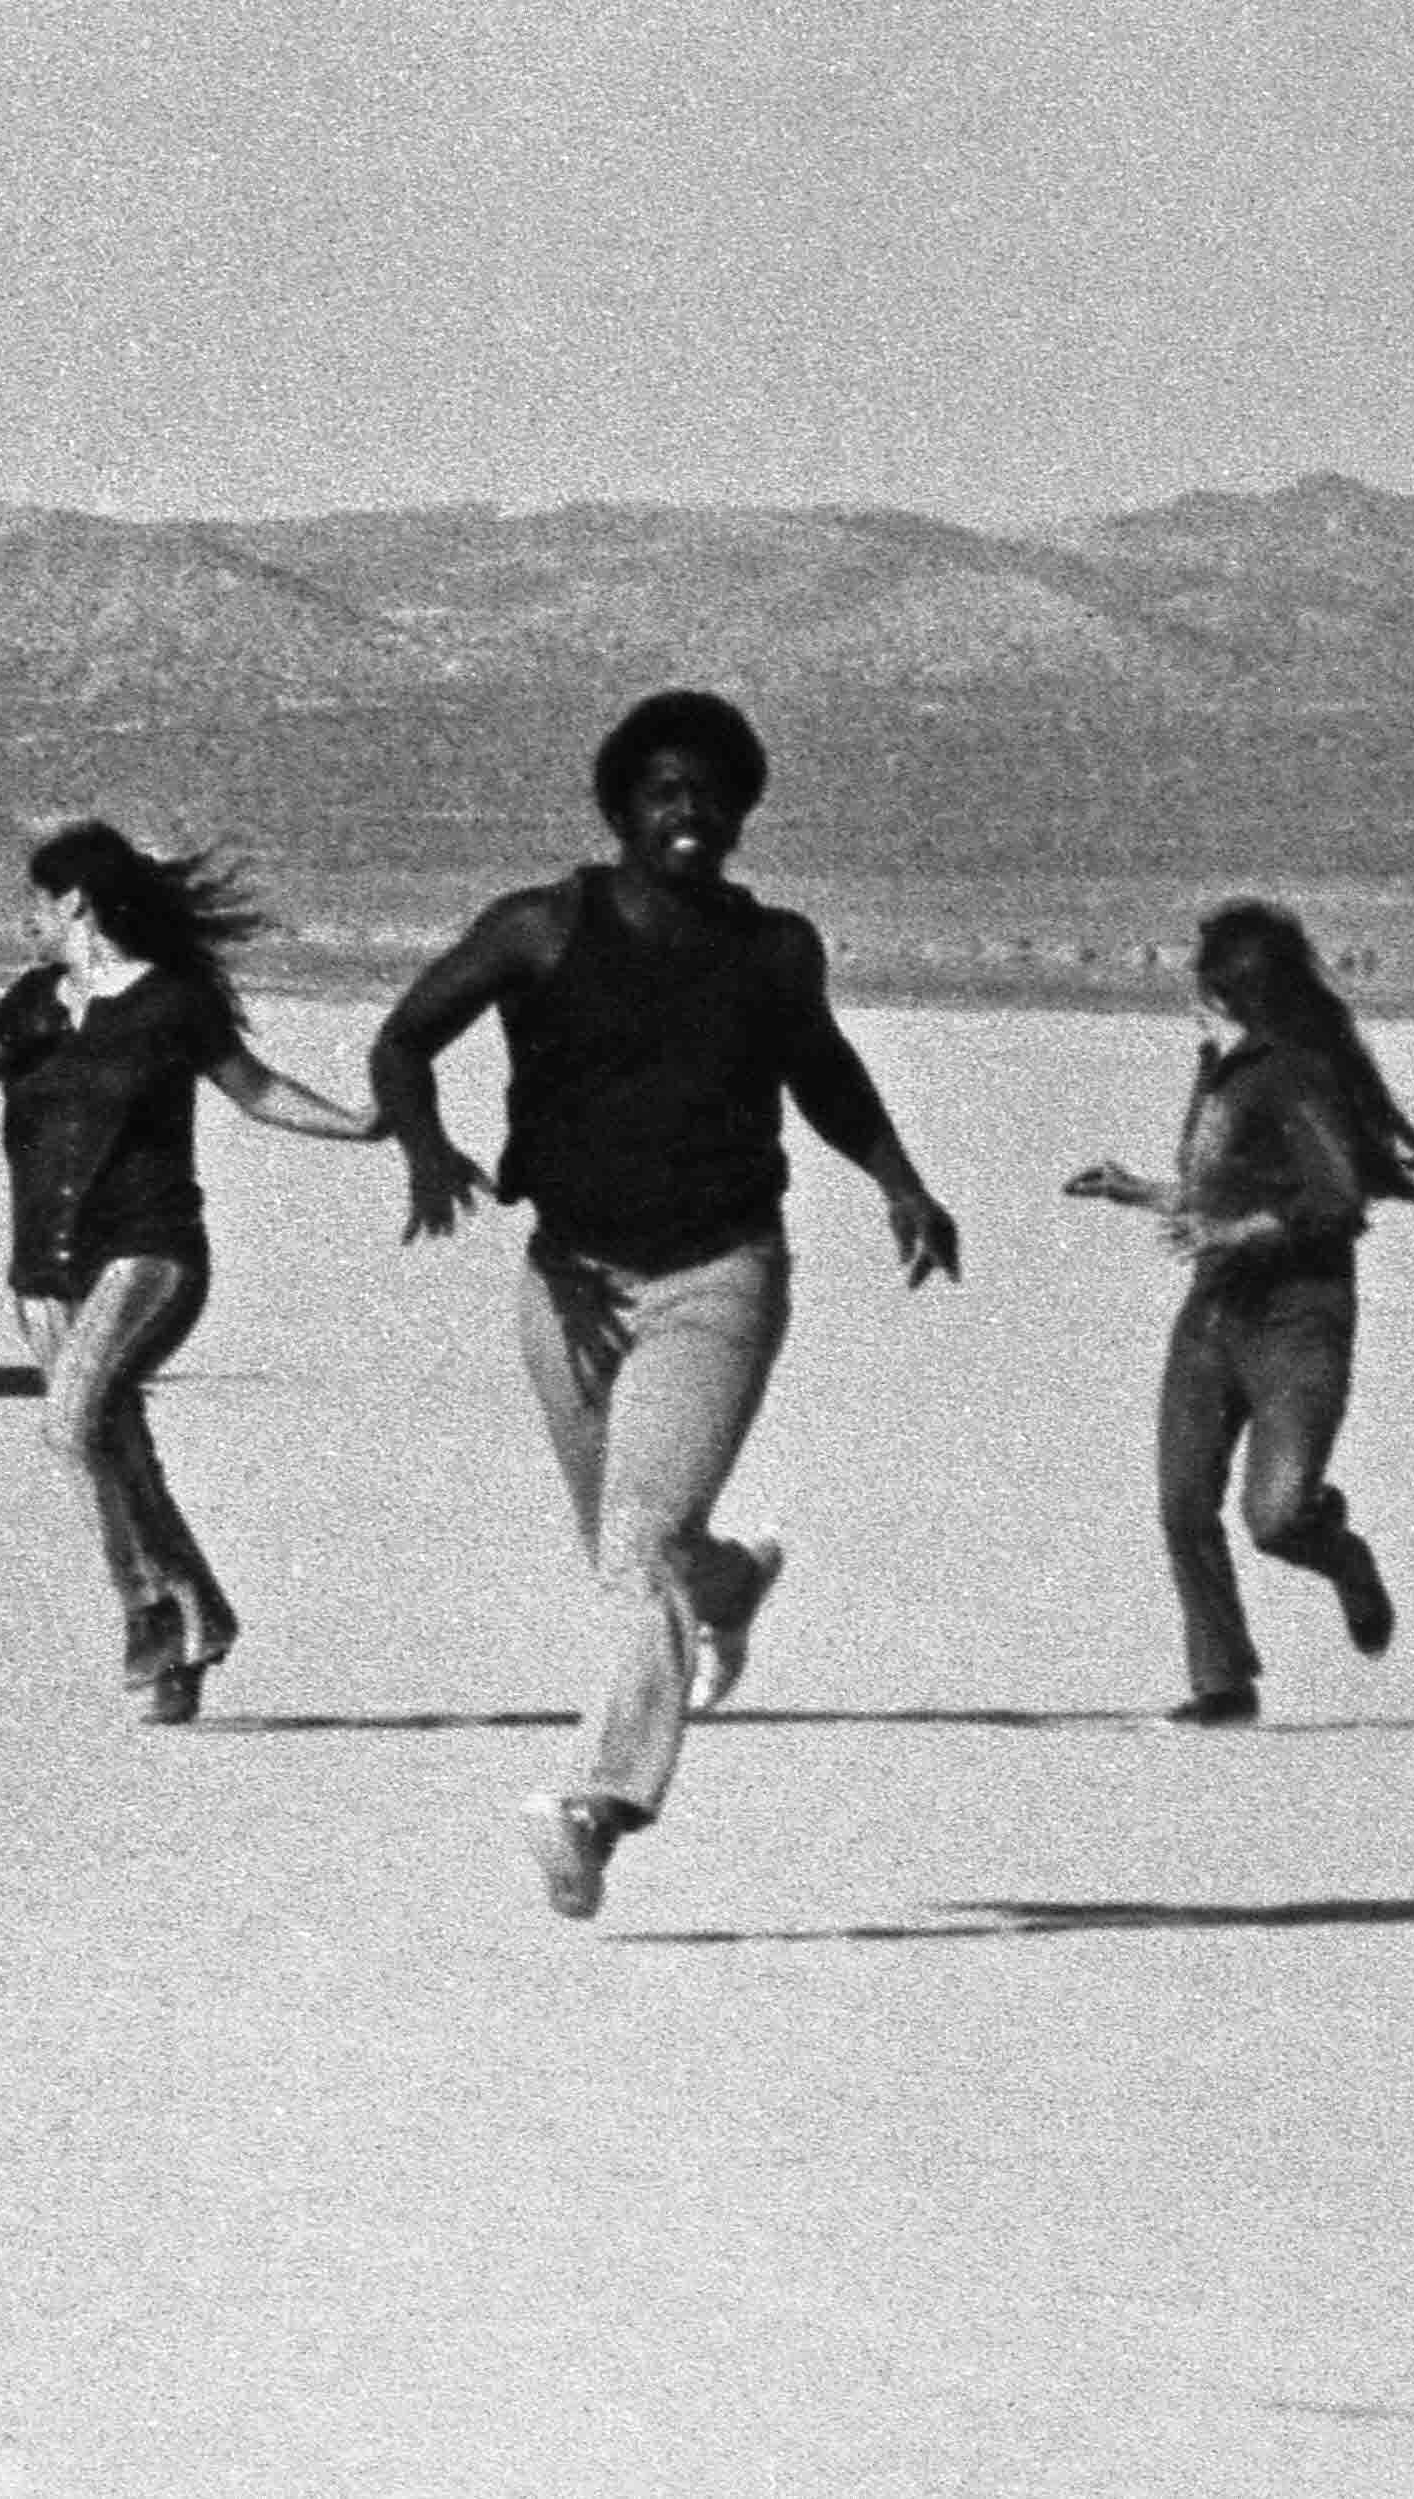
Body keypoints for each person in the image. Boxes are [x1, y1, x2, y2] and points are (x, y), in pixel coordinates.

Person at [366, 690, 961, 1918]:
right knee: (633, 1549)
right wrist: (423, 1147)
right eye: (663, 792)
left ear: (742, 810)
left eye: (712, 794)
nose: (689, 813)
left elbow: (822, 1072)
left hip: (716, 1273)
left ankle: (598, 1805)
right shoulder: (539, 928)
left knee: (636, 1543)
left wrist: (899, 1179)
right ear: (621, 808)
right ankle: (727, 1584)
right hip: (567, 1282)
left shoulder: (773, 949)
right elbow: (401, 1040)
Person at [0, 820, 380, 1725]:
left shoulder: (174, 1003)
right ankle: (195, 1622)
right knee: (114, 1447)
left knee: (71, 1422)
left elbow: (256, 1089)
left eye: (36, 903)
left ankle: (146, 1610)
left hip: (149, 1248)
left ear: (75, 902)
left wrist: (362, 1123)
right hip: (44, 1266)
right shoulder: (32, 1003)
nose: (27, 921)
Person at [1067, 900, 1414, 1726]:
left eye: (1201, 987)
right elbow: (1221, 1192)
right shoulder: (1220, 1068)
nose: (1190, 1002)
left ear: (1236, 993)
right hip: (1213, 1314)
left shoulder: (1297, 1073)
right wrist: (1139, 1190)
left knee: (1274, 1519)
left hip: (1299, 1321)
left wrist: (1229, 1233)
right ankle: (1223, 1683)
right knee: (1183, 1503)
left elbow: (1336, 1201)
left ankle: (1341, 1554)